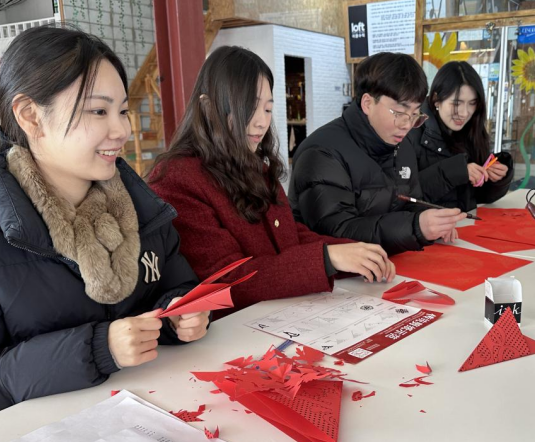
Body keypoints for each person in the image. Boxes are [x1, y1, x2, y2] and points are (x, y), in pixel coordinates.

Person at [0, 26, 209, 430]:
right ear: (31, 116)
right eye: (98, 111)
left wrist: (182, 312)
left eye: (122, 110)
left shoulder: (143, 209)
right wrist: (97, 348)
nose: (121, 130)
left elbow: (174, 284)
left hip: (151, 414)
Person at [149, 46, 395, 315]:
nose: (260, 122)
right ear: (208, 108)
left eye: (267, 109)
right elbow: (226, 279)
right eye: (250, 108)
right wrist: (327, 258)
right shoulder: (178, 177)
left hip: (279, 316)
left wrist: (353, 252)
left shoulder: (253, 164)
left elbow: (289, 235)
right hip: (230, 333)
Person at [288, 52, 467, 255]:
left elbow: (410, 202)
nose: (407, 124)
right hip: (335, 281)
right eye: (399, 112)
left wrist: (432, 220)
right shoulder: (322, 153)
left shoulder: (402, 144)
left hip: (387, 266)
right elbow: (337, 233)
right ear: (367, 103)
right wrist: (415, 227)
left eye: (415, 114)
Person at [408, 61, 513, 211]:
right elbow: (404, 196)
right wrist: (456, 172)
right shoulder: (411, 130)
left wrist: (496, 178)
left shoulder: (472, 131)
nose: (464, 113)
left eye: (472, 103)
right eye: (456, 103)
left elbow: (481, 197)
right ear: (436, 99)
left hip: (465, 225)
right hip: (430, 231)